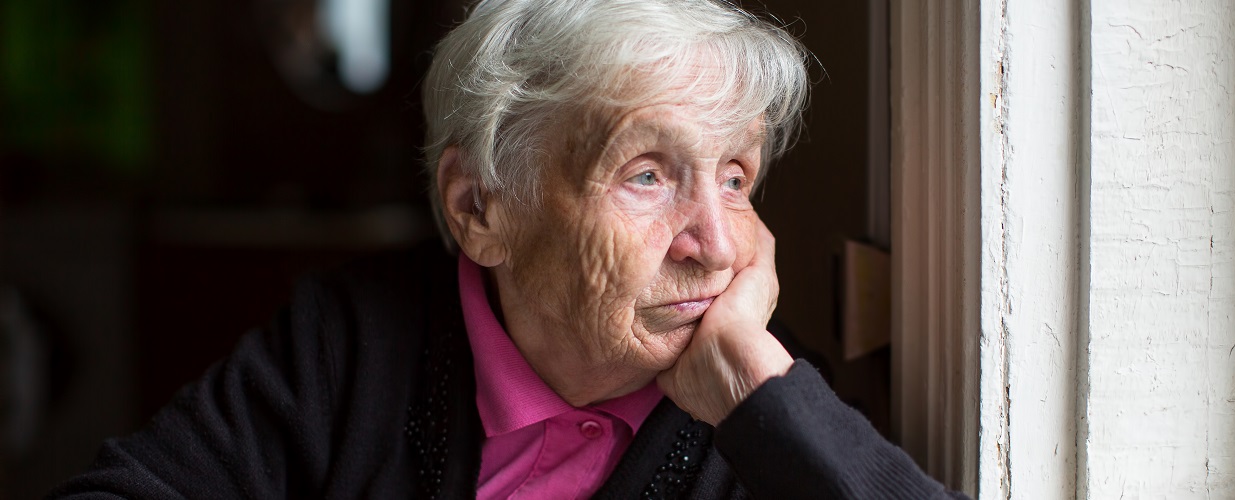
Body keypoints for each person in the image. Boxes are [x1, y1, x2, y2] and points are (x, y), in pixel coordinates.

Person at [50, 0, 968, 498]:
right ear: (480, 205)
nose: (717, 244)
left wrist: (753, 397)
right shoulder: (354, 345)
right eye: (646, 175)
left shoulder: (768, 408)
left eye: (734, 176)